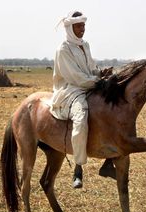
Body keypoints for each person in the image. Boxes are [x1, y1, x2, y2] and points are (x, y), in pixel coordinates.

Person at [50, 11, 112, 188]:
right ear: (70, 28)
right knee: (81, 116)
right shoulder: (63, 49)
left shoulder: (85, 45)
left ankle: (110, 160)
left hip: (89, 84)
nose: (82, 29)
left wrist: (101, 73)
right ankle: (78, 169)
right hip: (71, 89)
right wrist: (97, 81)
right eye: (78, 26)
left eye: (83, 26)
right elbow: (76, 77)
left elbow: (90, 68)